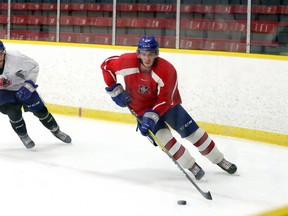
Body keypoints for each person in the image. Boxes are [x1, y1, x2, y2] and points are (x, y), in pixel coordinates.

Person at [101, 36, 237, 180]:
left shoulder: (167, 70)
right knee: (165, 140)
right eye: (144, 54)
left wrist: (152, 116)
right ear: (139, 53)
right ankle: (192, 166)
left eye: (151, 54)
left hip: (168, 107)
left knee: (194, 134)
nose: (147, 58)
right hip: (140, 109)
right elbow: (106, 66)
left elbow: (166, 99)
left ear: (156, 54)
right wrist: (114, 89)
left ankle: (220, 159)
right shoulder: (126, 62)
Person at [0, 40, 71, 149]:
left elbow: (34, 67)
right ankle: (23, 136)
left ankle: (56, 130)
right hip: (3, 92)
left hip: (21, 86)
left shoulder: (16, 57)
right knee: (13, 112)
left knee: (41, 111)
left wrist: (28, 86)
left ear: (4, 52)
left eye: (0, 53)